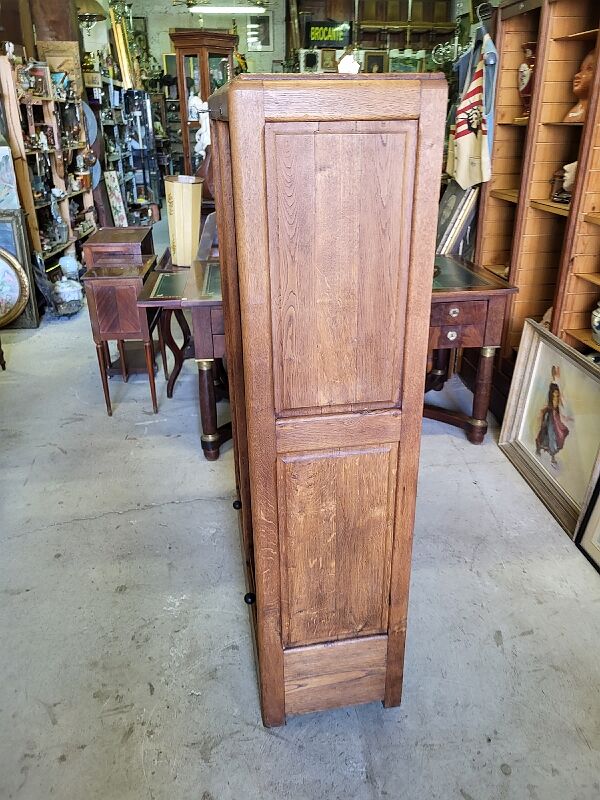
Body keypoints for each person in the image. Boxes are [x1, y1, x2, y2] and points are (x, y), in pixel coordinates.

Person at [535, 367, 570, 467]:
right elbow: (550, 404)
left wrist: (563, 416)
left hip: (554, 416)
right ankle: (545, 451)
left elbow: (559, 406)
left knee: (556, 434)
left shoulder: (557, 389)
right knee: (548, 434)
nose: (557, 396)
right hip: (550, 416)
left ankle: (551, 454)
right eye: (555, 395)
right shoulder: (552, 387)